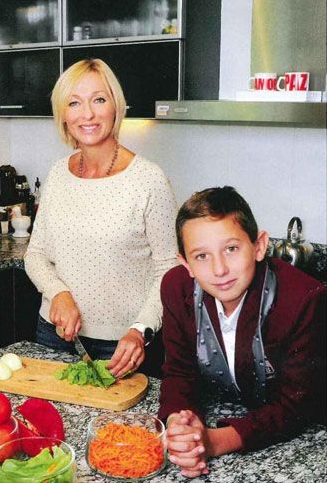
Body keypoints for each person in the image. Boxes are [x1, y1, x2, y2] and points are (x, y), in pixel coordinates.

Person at [24, 59, 178, 378]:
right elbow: (36, 255)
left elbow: (169, 270)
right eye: (74, 103)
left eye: (99, 99)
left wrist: (140, 330)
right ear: (63, 115)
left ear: (115, 106)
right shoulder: (57, 174)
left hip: (123, 347)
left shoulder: (149, 180)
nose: (88, 114)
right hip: (55, 336)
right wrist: (59, 293)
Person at [158, 186, 326, 478]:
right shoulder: (176, 288)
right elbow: (179, 372)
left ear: (259, 246)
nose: (219, 269)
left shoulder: (304, 299)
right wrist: (180, 425)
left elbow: (298, 405)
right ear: (185, 263)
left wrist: (213, 441)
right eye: (201, 256)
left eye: (231, 249)